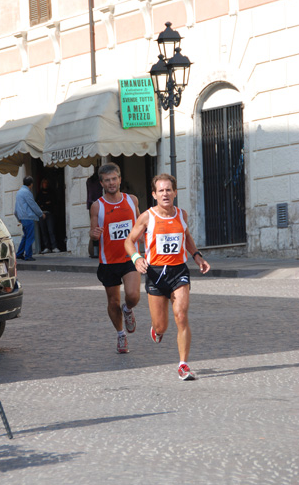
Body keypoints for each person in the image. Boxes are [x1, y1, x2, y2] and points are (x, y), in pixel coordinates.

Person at [125, 173, 210, 381]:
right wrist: (136, 258)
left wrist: (197, 256)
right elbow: (129, 241)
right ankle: (157, 329)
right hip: (155, 274)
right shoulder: (147, 217)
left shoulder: (182, 215)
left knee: (181, 315)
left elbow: (186, 237)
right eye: (161, 190)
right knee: (161, 325)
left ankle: (183, 365)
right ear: (154, 194)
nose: (165, 193)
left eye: (168, 189)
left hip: (178, 271)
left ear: (175, 192)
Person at [89, 162, 141, 354]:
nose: (111, 183)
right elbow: (93, 232)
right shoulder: (97, 206)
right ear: (101, 183)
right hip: (108, 261)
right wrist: (94, 234)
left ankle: (128, 310)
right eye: (107, 180)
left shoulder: (131, 200)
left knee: (133, 295)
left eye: (114, 179)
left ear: (119, 179)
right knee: (113, 302)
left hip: (130, 257)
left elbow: (139, 223)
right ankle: (121, 335)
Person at [15, 176, 44, 261]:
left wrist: (18, 217)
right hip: (27, 217)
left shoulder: (19, 192)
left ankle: (19, 254)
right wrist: (40, 213)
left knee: (25, 236)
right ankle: (28, 255)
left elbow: (16, 208)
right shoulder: (26, 192)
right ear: (31, 184)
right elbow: (32, 204)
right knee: (30, 237)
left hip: (22, 217)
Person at [36, 178, 60, 253]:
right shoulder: (39, 193)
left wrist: (44, 204)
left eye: (46, 183)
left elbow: (53, 202)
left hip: (50, 213)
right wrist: (45, 204)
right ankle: (46, 247)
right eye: (44, 183)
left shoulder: (51, 192)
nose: (45, 184)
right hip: (41, 214)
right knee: (43, 231)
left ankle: (54, 246)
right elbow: (38, 204)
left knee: (51, 230)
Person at [86, 165, 103, 258]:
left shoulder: (89, 180)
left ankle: (96, 251)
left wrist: (89, 205)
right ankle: (96, 251)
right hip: (100, 204)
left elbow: (88, 194)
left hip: (91, 205)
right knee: (99, 228)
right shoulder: (99, 181)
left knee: (95, 228)